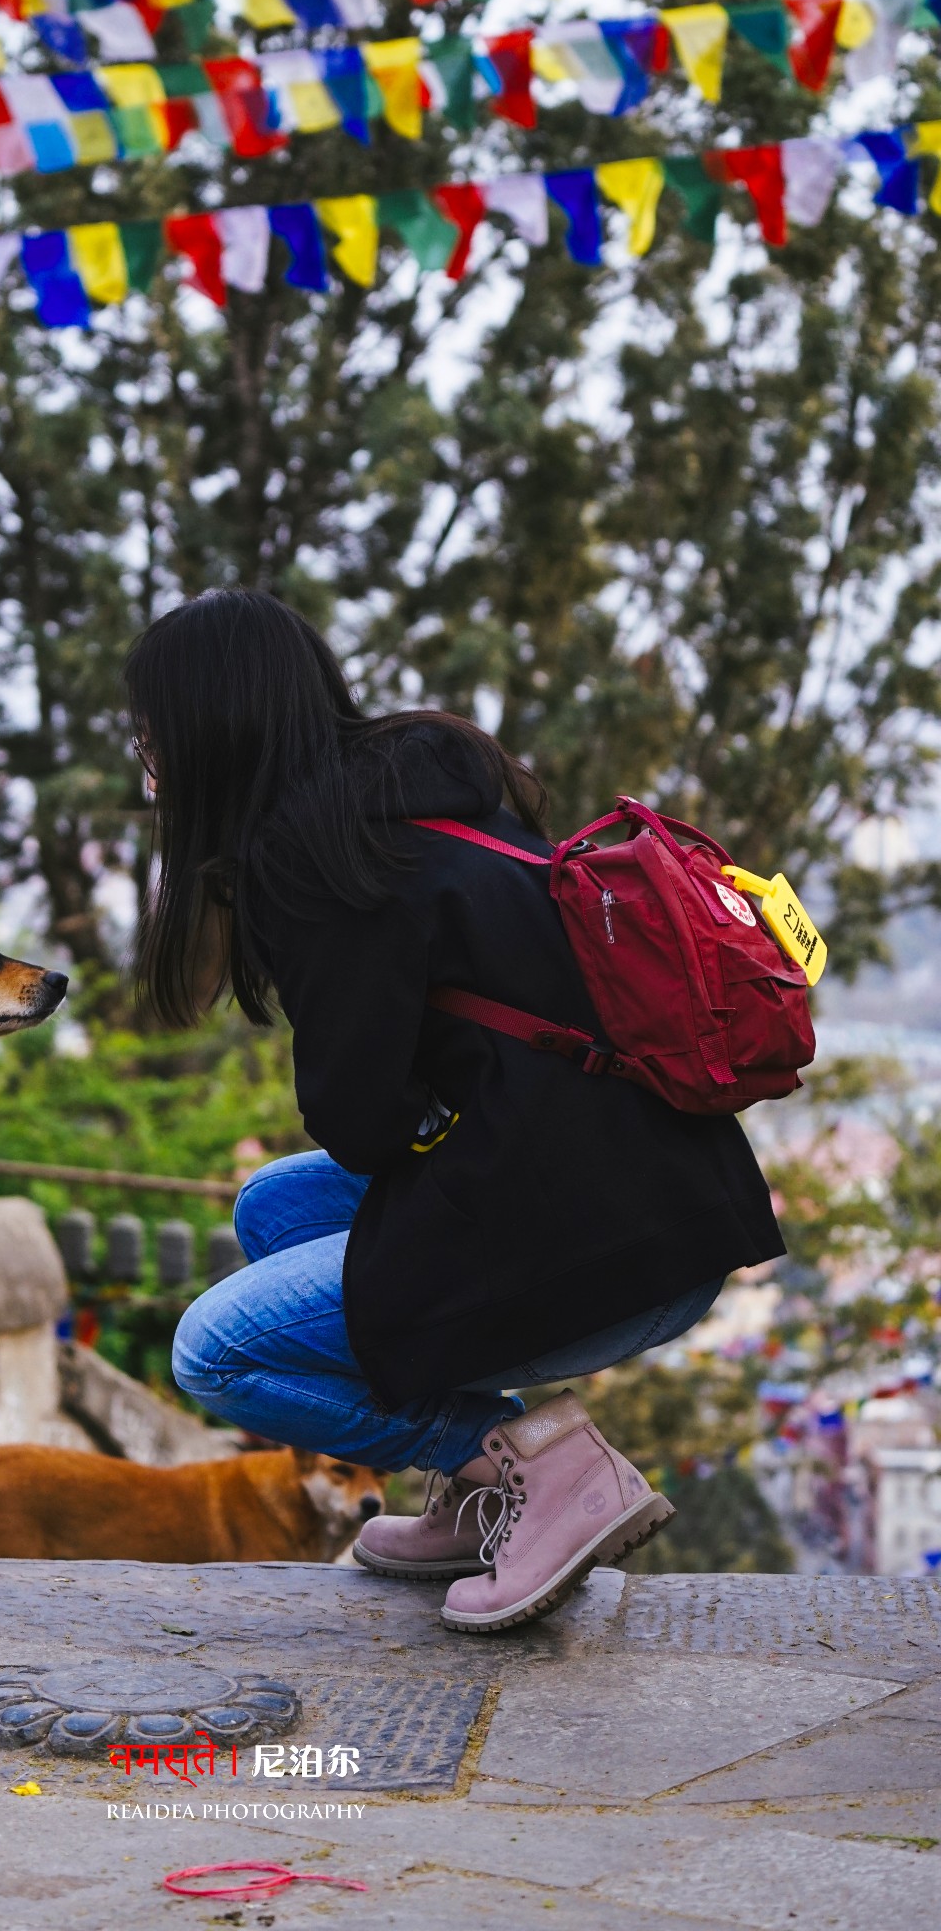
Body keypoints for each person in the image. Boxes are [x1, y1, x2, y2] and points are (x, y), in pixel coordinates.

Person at [124, 590, 786, 1633]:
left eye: (153, 726)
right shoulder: (407, 797)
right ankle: (480, 1488)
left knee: (218, 1350)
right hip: (650, 1190)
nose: (146, 753)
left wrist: (414, 1126)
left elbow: (356, 1113)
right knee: (274, 1210)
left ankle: (540, 1465)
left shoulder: (318, 859)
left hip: (608, 1235)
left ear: (209, 726)